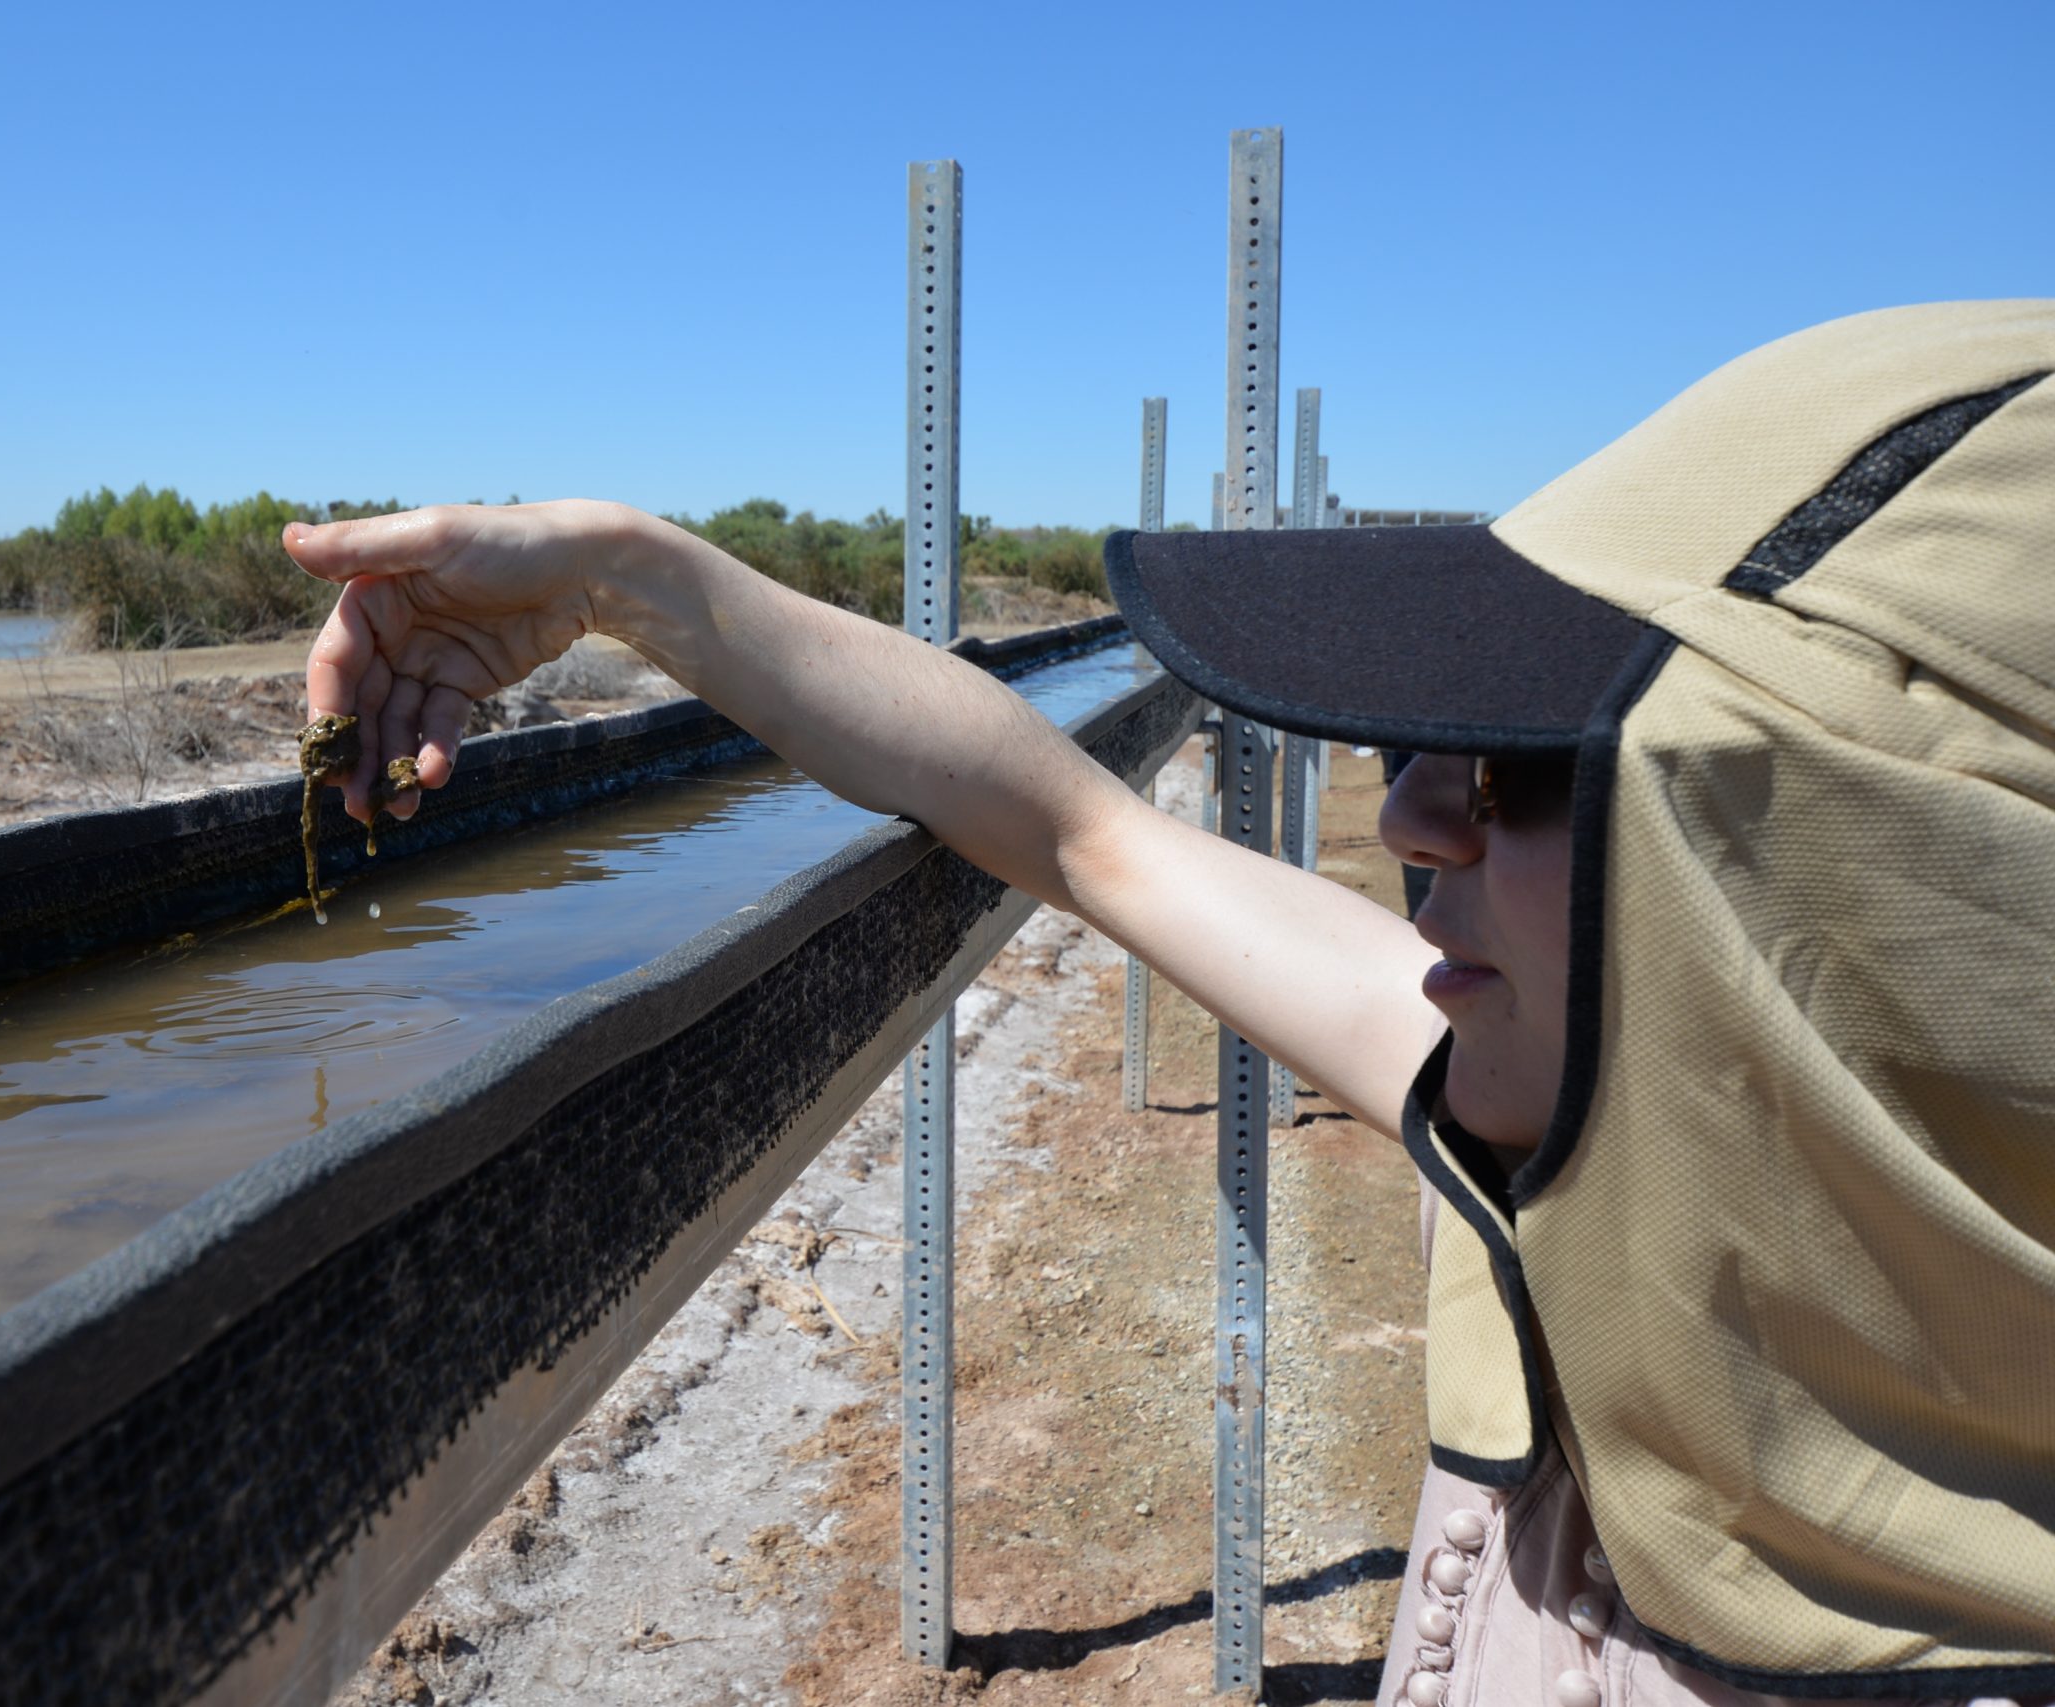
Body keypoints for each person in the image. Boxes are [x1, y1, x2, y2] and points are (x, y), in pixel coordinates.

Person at [284, 301, 2055, 1704]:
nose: (1415, 815)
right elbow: (1081, 830)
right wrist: (624, 579)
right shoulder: (1608, 1168)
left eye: (1535, 762)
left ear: (1870, 914)